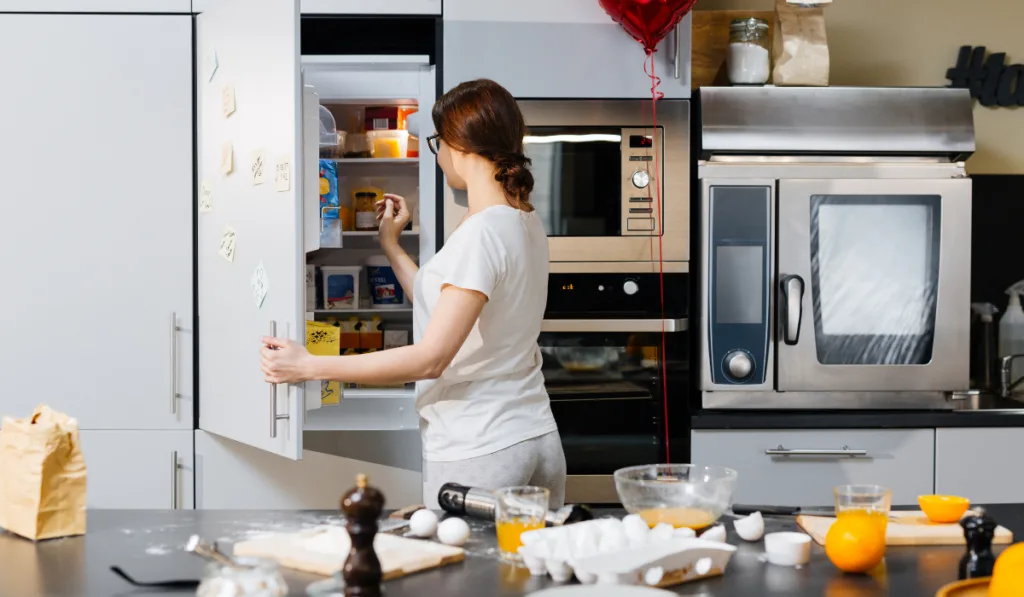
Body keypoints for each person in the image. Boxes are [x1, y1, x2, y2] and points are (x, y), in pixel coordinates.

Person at [260, 79, 566, 509]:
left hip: (481, 445)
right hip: (535, 437)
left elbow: (431, 358)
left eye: (438, 142)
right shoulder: (522, 222)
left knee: (465, 577)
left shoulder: (481, 233)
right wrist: (390, 243)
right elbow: (443, 304)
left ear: (458, 146)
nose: (438, 154)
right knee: (527, 572)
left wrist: (310, 366)